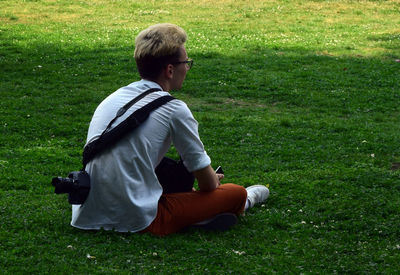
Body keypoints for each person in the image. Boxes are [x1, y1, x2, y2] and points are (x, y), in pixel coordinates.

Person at [71, 23, 269, 236]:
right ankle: (240, 203)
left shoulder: (114, 98)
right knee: (234, 193)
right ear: (170, 70)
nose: (187, 68)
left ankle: (196, 214)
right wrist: (209, 177)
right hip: (138, 220)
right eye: (186, 63)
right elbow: (209, 185)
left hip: (87, 212)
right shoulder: (174, 109)